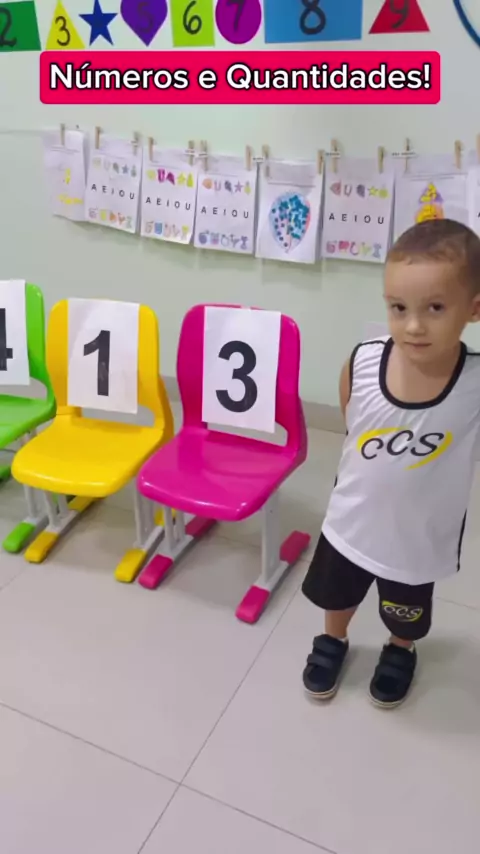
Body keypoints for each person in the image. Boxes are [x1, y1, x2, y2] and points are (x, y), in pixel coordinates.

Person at [302, 218, 480, 708]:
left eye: (435, 308)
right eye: (398, 307)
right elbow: (352, 421)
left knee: (406, 611)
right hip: (351, 523)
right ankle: (333, 639)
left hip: (417, 538)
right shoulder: (363, 362)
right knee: (337, 595)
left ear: (473, 309)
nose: (413, 325)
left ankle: (401, 648)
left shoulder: (473, 385)